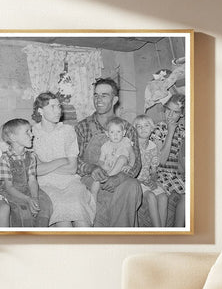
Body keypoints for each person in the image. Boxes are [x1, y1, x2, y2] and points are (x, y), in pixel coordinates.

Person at [75, 78, 142, 227]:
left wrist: (119, 176)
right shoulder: (82, 127)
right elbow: (74, 161)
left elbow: (136, 162)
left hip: (119, 177)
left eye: (104, 95)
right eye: (95, 95)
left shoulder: (127, 128)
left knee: (132, 186)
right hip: (92, 179)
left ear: (115, 99)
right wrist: (91, 168)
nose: (98, 99)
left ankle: (120, 240)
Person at [32, 92, 96, 227]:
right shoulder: (32, 133)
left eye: (59, 106)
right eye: (52, 107)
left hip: (70, 182)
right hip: (46, 185)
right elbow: (35, 170)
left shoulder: (68, 131)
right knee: (62, 215)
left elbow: (72, 168)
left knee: (78, 206)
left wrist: (46, 165)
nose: (58, 111)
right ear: (40, 111)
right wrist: (61, 160)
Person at [0, 118, 52, 227]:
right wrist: (28, 199)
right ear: (13, 137)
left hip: (28, 189)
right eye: (27, 132)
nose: (32, 135)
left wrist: (34, 198)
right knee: (23, 210)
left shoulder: (31, 156)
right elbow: (8, 187)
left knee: (45, 204)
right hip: (12, 192)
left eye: (30, 131)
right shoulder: (5, 158)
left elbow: (32, 180)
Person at [150, 94, 186, 227]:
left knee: (189, 195)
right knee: (162, 197)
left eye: (175, 112)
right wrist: (170, 133)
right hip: (160, 173)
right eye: (168, 110)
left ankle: (179, 231)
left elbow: (183, 158)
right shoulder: (158, 129)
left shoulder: (183, 131)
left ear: (181, 115)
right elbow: (161, 161)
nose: (170, 115)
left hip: (176, 174)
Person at [133, 114, 168, 227]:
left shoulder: (153, 147)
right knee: (151, 197)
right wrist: (140, 182)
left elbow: (154, 169)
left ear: (152, 128)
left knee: (163, 197)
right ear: (135, 129)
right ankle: (157, 231)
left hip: (147, 180)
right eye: (139, 126)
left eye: (146, 125)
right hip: (136, 181)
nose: (143, 129)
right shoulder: (133, 146)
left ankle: (162, 232)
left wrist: (153, 180)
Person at [90, 117, 135, 201]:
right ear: (107, 134)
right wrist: (103, 167)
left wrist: (130, 165)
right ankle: (93, 201)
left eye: (118, 132)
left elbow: (132, 154)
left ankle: (107, 178)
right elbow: (101, 160)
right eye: (112, 132)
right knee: (96, 179)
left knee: (122, 158)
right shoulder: (105, 146)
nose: (115, 135)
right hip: (108, 169)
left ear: (124, 132)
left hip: (120, 170)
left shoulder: (125, 141)